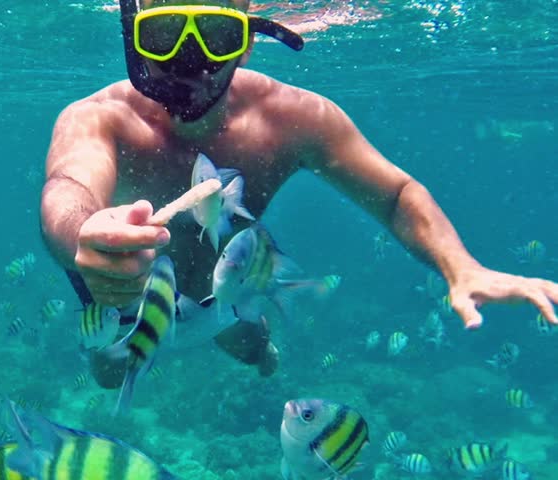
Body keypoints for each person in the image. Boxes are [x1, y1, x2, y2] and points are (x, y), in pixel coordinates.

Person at [39, 0, 558, 386]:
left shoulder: (295, 119)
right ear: (133, 32)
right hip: (123, 293)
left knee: (252, 348)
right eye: (166, 33)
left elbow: (396, 195)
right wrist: (81, 233)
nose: (189, 59)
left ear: (245, 40)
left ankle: (245, 335)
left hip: (227, 290)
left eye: (217, 34)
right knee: (108, 374)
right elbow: (68, 187)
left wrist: (459, 266)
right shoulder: (99, 119)